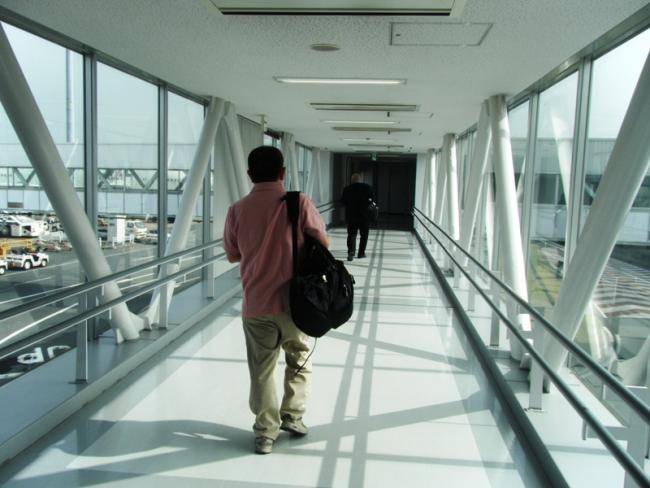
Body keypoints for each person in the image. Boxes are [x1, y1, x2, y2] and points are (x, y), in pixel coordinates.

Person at [223, 145, 329, 455]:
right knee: (299, 359)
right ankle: (293, 417)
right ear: (282, 172)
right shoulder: (299, 203)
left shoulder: (237, 210)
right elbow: (323, 242)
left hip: (256, 304)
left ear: (249, 175)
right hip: (296, 303)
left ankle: (264, 434)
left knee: (261, 370)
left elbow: (233, 255)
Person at [340, 173, 374, 261]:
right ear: (359, 179)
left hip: (352, 216)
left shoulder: (347, 189)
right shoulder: (367, 187)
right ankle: (361, 253)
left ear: (352, 180)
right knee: (364, 235)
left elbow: (343, 202)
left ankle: (351, 252)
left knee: (352, 234)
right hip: (364, 216)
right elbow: (372, 201)